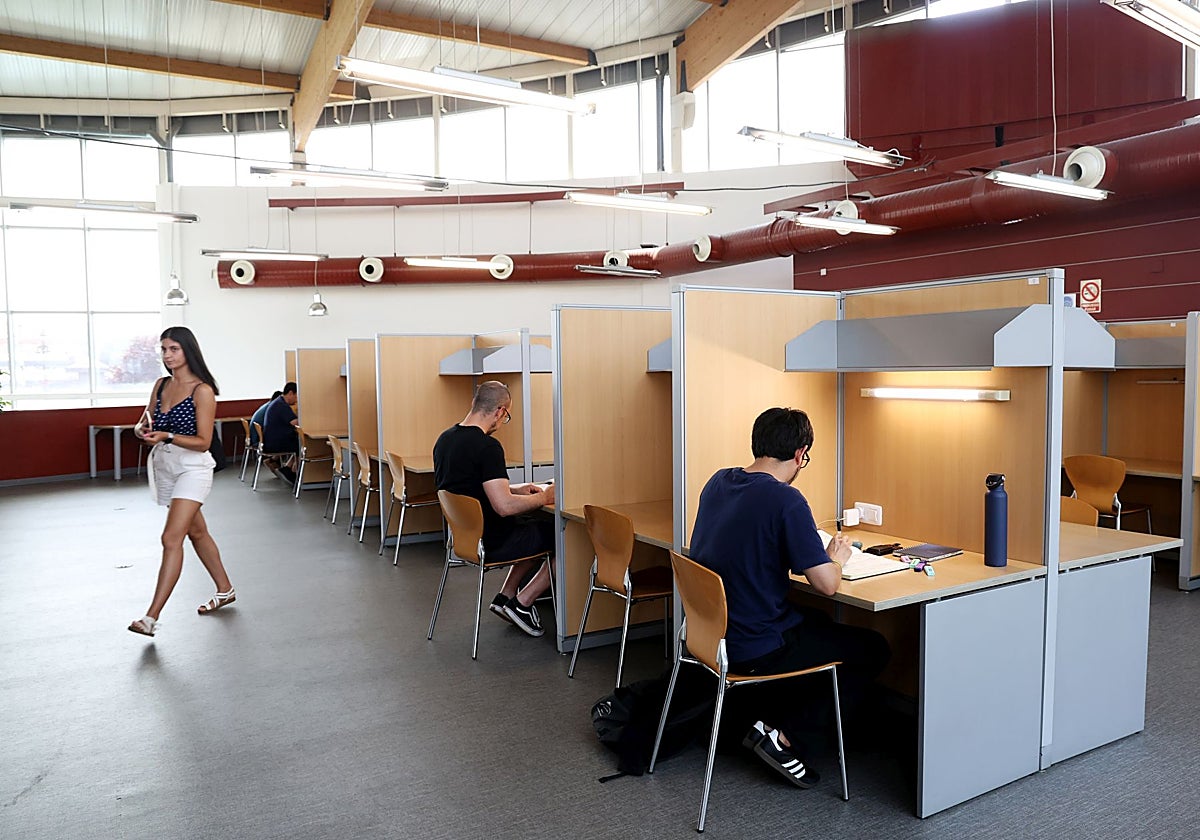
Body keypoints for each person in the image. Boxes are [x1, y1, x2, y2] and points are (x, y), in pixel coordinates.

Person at [688, 407, 890, 789]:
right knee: (872, 647)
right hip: (754, 644)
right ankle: (784, 739)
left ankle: (776, 714)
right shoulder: (786, 500)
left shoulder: (719, 481)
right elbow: (827, 584)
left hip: (713, 634)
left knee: (822, 625)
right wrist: (836, 557)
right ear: (801, 454)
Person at [128, 327, 236, 637]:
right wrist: (143, 431)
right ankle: (225, 589)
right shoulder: (161, 385)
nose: (167, 355)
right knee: (198, 532)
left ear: (188, 350)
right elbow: (146, 420)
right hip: (165, 465)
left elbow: (203, 442)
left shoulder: (202, 390)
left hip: (193, 468)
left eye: (174, 348)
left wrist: (167, 435)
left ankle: (150, 617)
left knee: (170, 538)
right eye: (163, 349)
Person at [433, 380, 555, 637]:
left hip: (465, 540)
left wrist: (516, 489)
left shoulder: (445, 440)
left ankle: (506, 596)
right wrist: (544, 498)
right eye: (506, 415)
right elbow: (504, 507)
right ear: (500, 411)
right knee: (560, 535)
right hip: (494, 541)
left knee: (533, 526)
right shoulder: (487, 446)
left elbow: (473, 488)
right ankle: (523, 603)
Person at [262, 382, 300, 483]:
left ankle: (288, 468)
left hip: (271, 440)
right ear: (291, 393)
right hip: (275, 443)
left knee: (297, 442)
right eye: (296, 397)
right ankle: (291, 471)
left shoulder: (278, 402)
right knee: (301, 445)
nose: (296, 401)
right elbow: (295, 423)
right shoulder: (281, 405)